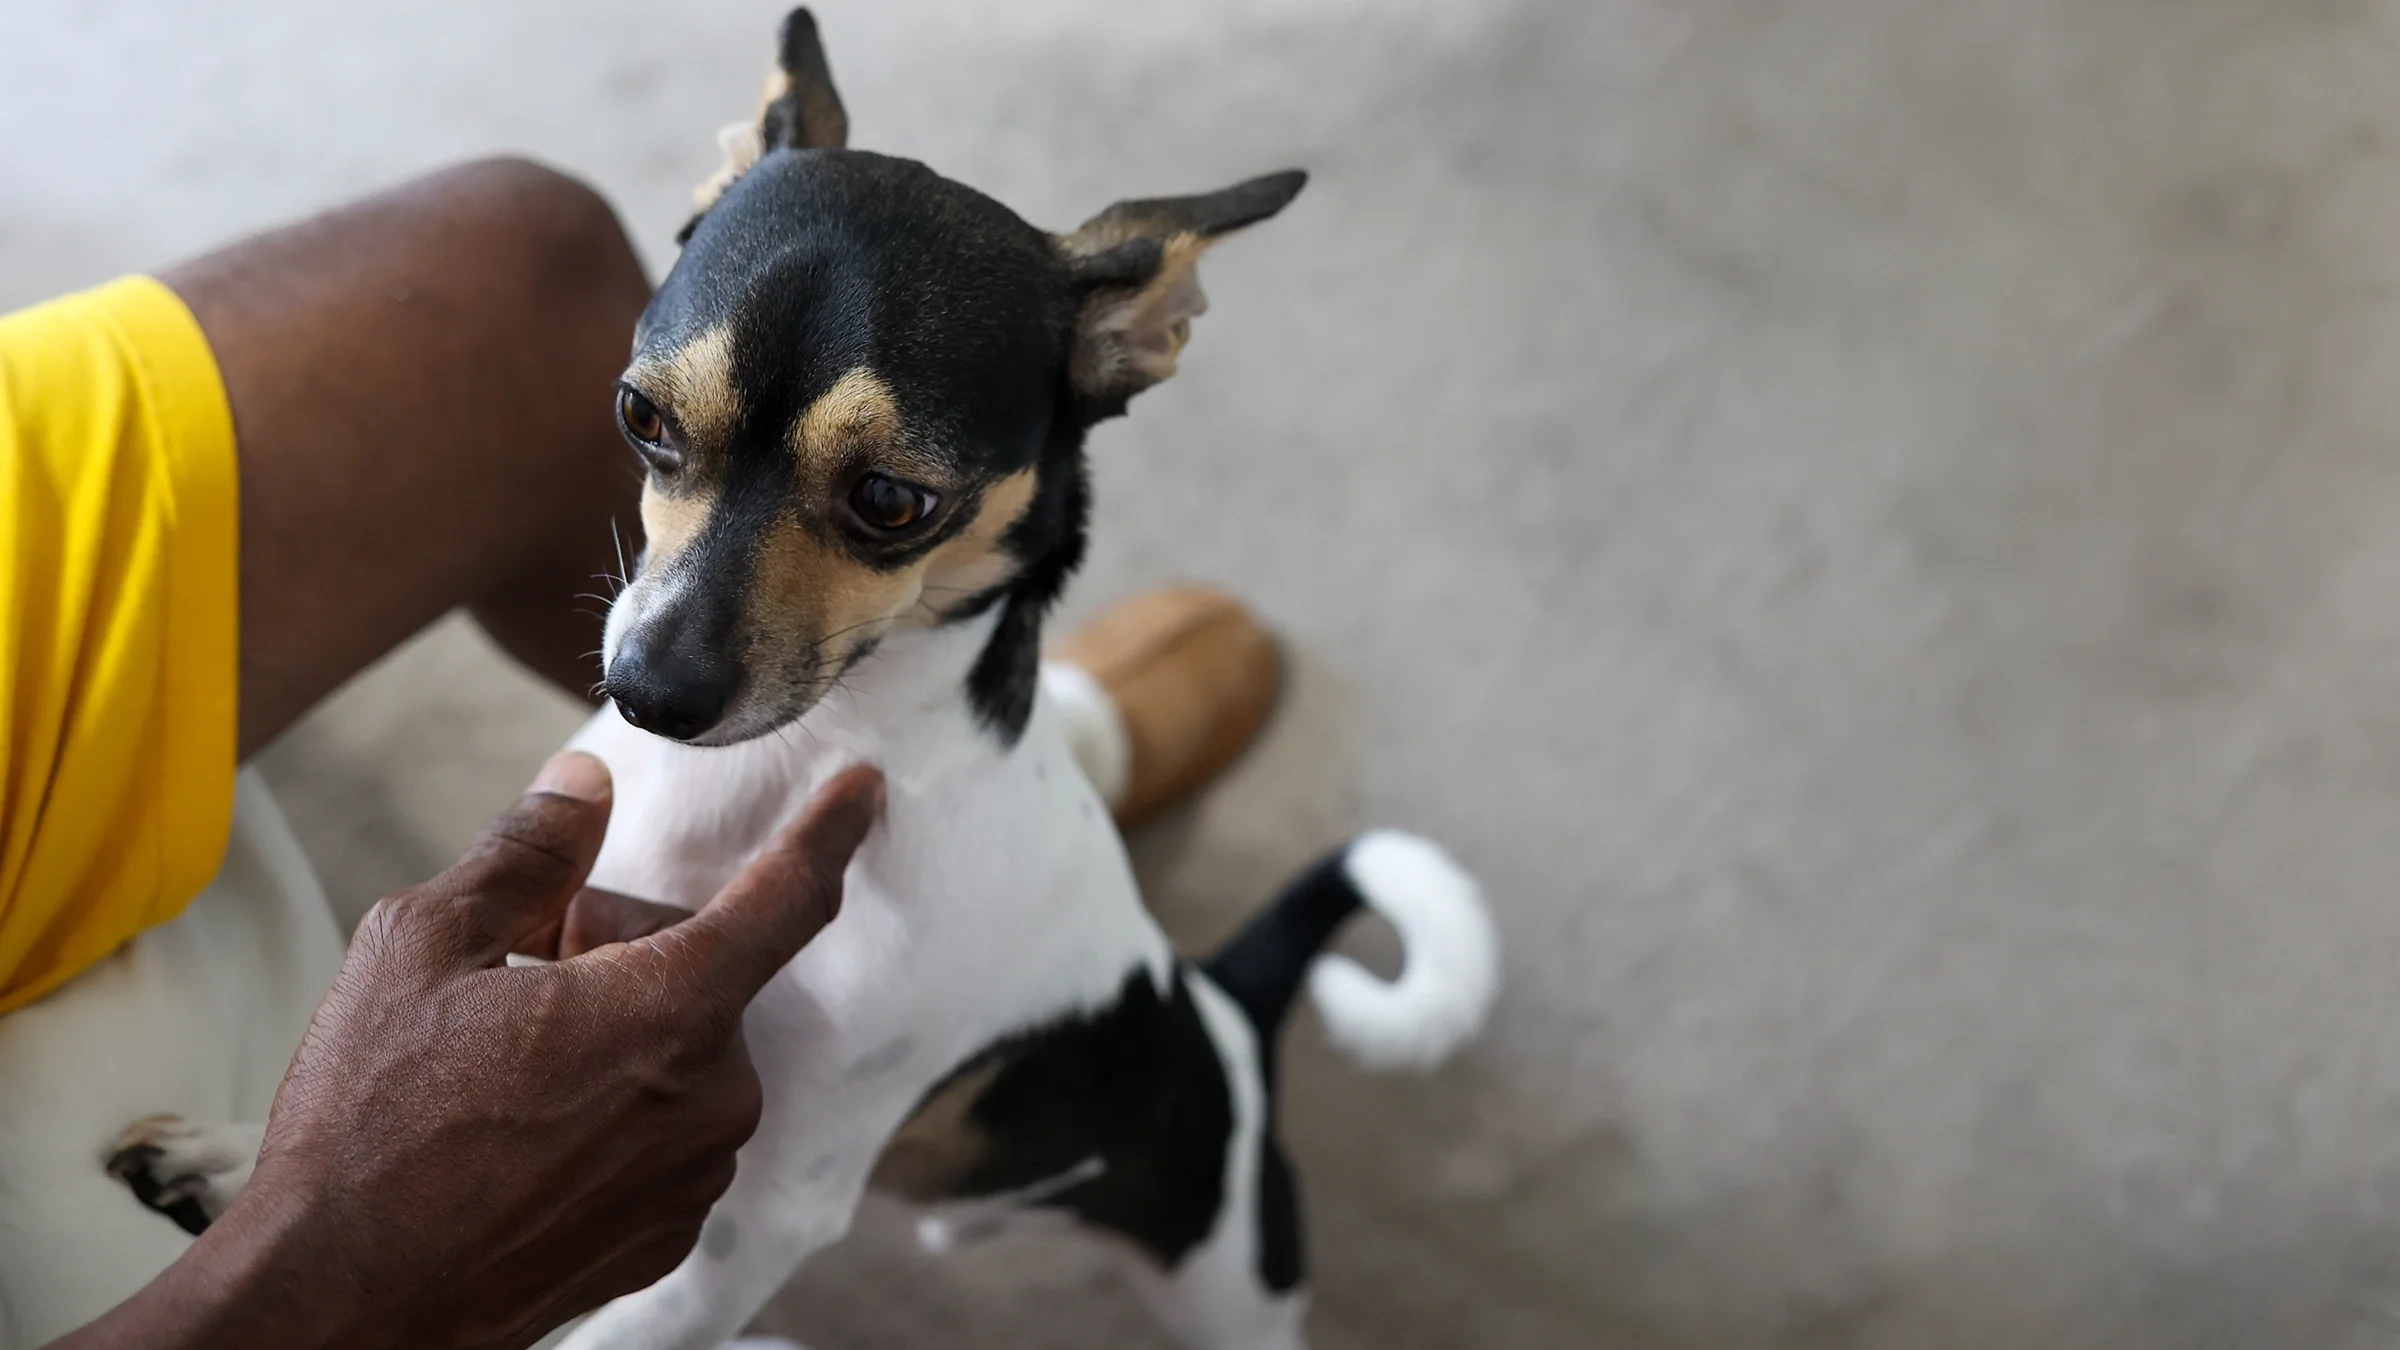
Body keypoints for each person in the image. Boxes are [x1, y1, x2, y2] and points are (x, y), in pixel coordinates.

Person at [0, 160, 1280, 1349]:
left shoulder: (904, 920)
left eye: (884, 499)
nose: (658, 659)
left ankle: (1070, 747)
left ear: (1135, 331)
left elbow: (762, 1222)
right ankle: (1067, 732)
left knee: (524, 247)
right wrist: (322, 1221)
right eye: (659, 425)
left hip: (1159, 1170)